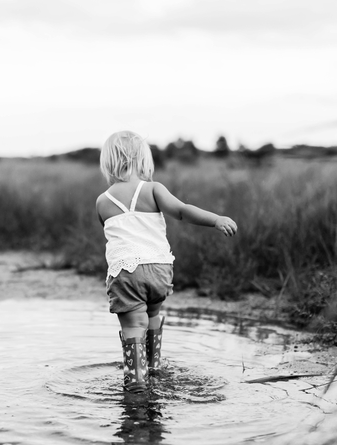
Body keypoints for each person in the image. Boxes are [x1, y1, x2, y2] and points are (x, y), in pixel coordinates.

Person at [96, 131, 238, 393]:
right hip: (159, 270)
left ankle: (136, 384)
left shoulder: (103, 201)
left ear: (109, 162)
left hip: (125, 274)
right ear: (142, 160)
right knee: (152, 315)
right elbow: (183, 211)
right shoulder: (153, 189)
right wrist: (216, 219)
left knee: (133, 324)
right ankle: (154, 369)